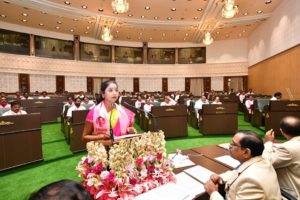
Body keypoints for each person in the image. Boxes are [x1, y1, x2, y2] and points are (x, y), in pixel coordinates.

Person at [204, 130, 281, 200]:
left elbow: (246, 176)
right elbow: (240, 171)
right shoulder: (262, 159)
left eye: (233, 144)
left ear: (246, 152)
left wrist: (213, 193)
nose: (229, 146)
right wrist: (221, 178)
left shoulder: (251, 181)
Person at [82, 80, 136, 145]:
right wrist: (102, 136)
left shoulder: (125, 112)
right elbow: (84, 138)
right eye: (110, 90)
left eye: (116, 90)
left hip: (122, 151)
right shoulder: (94, 112)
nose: (114, 93)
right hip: (102, 151)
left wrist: (130, 131)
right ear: (103, 94)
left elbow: (129, 133)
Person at [263, 116, 300, 198]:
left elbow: (266, 163)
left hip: (291, 194)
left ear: (282, 131)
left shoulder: (287, 148)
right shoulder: (289, 146)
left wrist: (268, 143)